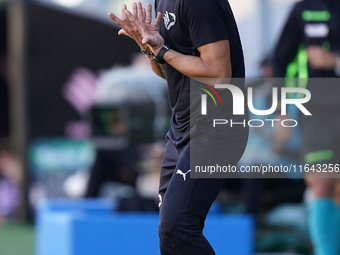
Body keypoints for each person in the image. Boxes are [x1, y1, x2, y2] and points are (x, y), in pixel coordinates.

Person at [108, 1, 248, 254]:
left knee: (177, 226)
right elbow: (167, 71)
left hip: (217, 127)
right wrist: (148, 48)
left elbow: (218, 74)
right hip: (182, 128)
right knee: (168, 233)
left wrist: (163, 51)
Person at [273, 1, 340, 254]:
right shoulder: (304, 9)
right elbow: (280, 61)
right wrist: (281, 113)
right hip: (316, 113)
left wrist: (335, 60)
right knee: (322, 183)